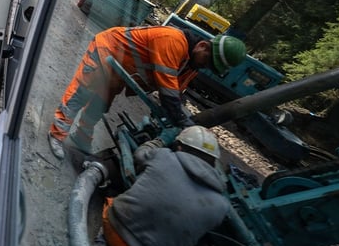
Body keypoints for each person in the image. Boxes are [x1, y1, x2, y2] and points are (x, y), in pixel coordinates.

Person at [48, 25, 246, 160]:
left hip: (121, 66)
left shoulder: (192, 64)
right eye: (207, 62)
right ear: (202, 46)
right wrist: (182, 122)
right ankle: (57, 134)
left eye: (210, 67)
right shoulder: (173, 40)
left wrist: (180, 111)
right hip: (108, 49)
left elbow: (176, 93)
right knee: (82, 93)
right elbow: (167, 91)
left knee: (101, 102)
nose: (205, 67)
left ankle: (81, 138)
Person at [93, 126, 231, 246]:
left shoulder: (164, 156)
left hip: (115, 232)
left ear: (180, 147)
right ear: (213, 162)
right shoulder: (221, 206)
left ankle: (102, 243)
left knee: (114, 202)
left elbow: (140, 154)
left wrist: (159, 141)